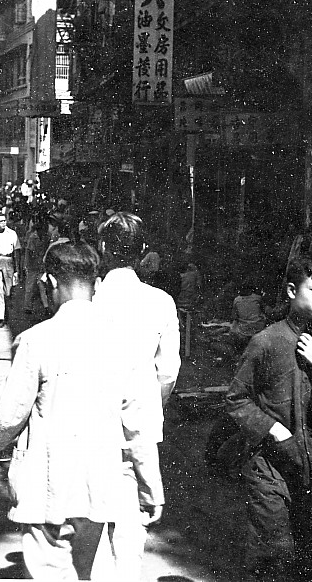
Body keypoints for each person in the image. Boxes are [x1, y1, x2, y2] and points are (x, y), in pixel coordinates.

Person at [0, 242, 140, 579]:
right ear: (98, 284)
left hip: (48, 486)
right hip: (99, 485)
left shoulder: (38, 340)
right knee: (85, 572)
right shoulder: (120, 339)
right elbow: (134, 418)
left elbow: (7, 415)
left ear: (48, 284)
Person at [225, 255, 312, 581]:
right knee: (274, 556)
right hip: (268, 470)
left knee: (308, 558)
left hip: (309, 472)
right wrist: (274, 429)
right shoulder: (265, 342)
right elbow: (236, 399)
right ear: (291, 291)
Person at [92, 211, 181, 580]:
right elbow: (169, 372)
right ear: (143, 251)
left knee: (88, 533)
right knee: (130, 536)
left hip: (89, 428)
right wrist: (151, 402)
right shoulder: (160, 302)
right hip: (139, 426)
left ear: (101, 249)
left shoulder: (90, 299)